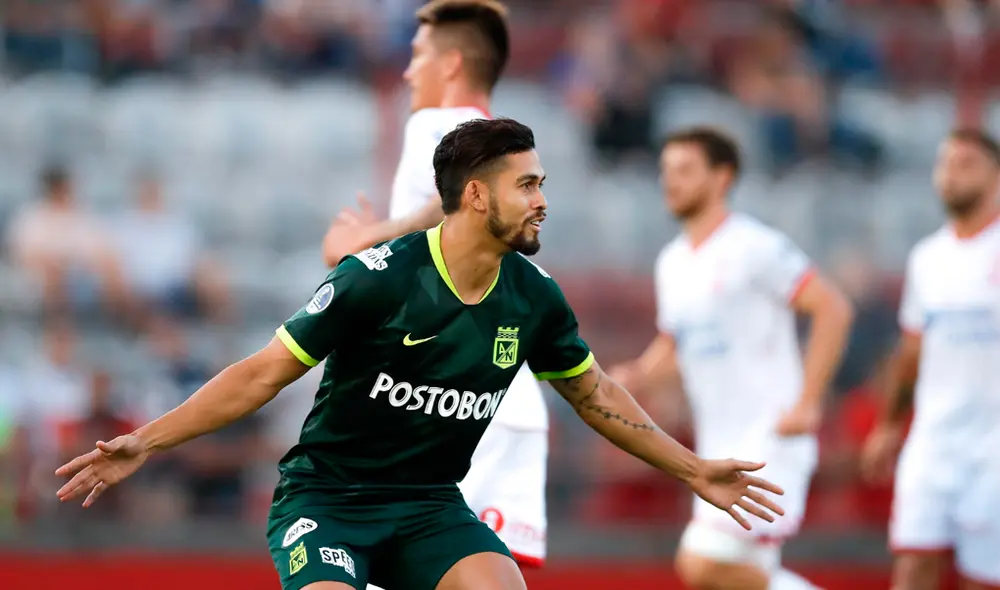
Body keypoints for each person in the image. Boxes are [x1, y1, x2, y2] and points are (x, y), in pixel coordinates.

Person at [56, 117, 786, 590]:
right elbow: (260, 376)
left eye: (542, 183)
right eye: (527, 184)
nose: (541, 200)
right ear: (475, 196)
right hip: (328, 502)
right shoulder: (378, 280)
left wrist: (693, 469)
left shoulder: (534, 299)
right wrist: (144, 442)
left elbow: (594, 396)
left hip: (430, 508)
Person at [321, 0, 551, 570]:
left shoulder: (434, 127)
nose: (407, 71)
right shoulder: (504, 153)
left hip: (447, 404)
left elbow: (439, 212)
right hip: (498, 394)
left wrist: (364, 240)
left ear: (450, 64)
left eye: (418, 55)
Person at [610, 127, 853, 590]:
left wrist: (808, 402)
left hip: (769, 438)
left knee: (702, 562)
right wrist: (636, 376)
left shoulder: (755, 246)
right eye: (666, 172)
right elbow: (677, 346)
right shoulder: (673, 262)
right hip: (716, 450)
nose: (671, 182)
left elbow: (832, 308)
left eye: (684, 170)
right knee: (741, 575)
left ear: (722, 178)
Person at [862, 128, 1000, 590]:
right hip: (933, 442)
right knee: (913, 566)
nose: (950, 176)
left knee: (982, 579)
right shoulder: (928, 258)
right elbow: (912, 352)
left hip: (992, 447)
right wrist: (888, 425)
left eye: (966, 164)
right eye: (944, 164)